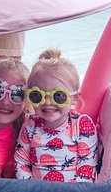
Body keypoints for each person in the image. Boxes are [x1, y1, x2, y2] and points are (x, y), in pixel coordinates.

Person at [14, 49, 98, 183]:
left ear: (75, 98)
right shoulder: (30, 124)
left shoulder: (81, 125)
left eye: (58, 96)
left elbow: (87, 164)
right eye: (38, 95)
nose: (47, 102)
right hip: (37, 191)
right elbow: (21, 161)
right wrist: (30, 190)